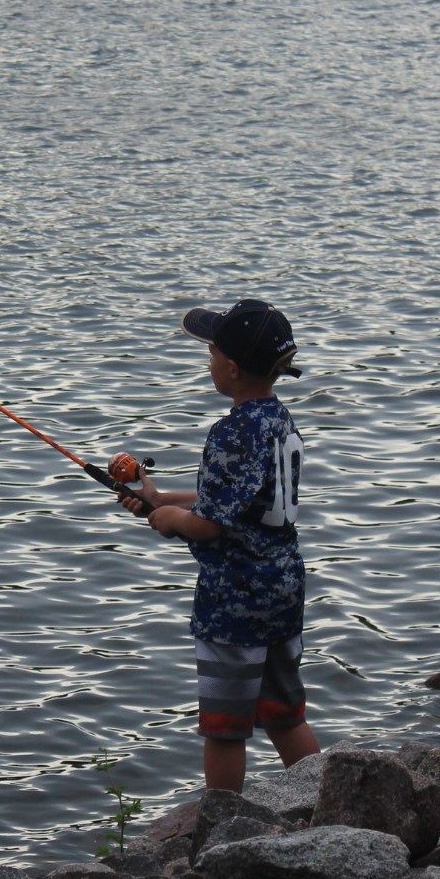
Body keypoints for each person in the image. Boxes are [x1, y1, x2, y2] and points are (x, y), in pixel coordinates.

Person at [119, 299, 320, 791]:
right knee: (283, 714)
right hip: (282, 589)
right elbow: (241, 499)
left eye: (210, 354)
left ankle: (221, 821)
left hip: (235, 602)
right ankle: (328, 798)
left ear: (230, 368)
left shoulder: (230, 432)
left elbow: (209, 524)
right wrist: (162, 497)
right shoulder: (277, 419)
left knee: (225, 728)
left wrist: (167, 519)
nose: (208, 363)